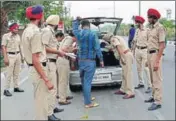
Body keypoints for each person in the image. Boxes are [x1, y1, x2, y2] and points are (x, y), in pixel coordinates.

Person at [22, 5, 58, 120]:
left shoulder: (26, 30)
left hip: (34, 69)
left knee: (40, 101)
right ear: (40, 16)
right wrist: (46, 79)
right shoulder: (36, 32)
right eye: (43, 14)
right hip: (39, 70)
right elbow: (35, 59)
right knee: (41, 105)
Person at [72, 17, 104, 108]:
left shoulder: (78, 33)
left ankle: (87, 97)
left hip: (81, 61)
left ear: (81, 26)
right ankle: (88, 103)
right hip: (90, 62)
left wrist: (76, 20)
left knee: (83, 81)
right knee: (87, 82)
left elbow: (74, 28)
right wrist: (101, 60)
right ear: (89, 26)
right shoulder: (93, 34)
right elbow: (97, 48)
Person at [41, 15, 65, 120]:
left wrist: (58, 52)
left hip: (52, 62)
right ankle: (49, 114)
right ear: (55, 23)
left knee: (53, 89)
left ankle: (52, 107)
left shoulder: (50, 31)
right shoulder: (47, 31)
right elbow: (43, 47)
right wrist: (57, 52)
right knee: (52, 88)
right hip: (49, 63)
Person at [144, 8, 166, 111]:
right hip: (149, 54)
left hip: (155, 55)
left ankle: (158, 101)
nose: (148, 19)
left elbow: (162, 45)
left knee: (157, 79)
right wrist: (147, 59)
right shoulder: (151, 28)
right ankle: (153, 97)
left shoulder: (160, 28)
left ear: (154, 18)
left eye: (149, 17)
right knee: (152, 78)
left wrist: (157, 61)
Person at [103, 33, 135, 99]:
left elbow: (119, 47)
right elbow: (114, 47)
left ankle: (130, 92)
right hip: (126, 55)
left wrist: (122, 58)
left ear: (108, 39)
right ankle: (123, 89)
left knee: (128, 74)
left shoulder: (113, 39)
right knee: (124, 74)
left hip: (125, 56)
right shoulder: (117, 37)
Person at [1, 23, 24, 97]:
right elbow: (3, 47)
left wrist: (22, 57)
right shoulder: (6, 36)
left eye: (17, 29)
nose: (17, 30)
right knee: (9, 73)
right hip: (10, 55)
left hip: (17, 55)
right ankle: (6, 89)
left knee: (17, 72)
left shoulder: (18, 36)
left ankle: (16, 87)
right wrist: (5, 57)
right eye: (15, 29)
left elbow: (20, 46)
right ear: (11, 29)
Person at [132, 16, 152, 93]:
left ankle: (150, 85)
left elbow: (150, 42)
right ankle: (141, 83)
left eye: (137, 22)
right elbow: (134, 41)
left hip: (145, 50)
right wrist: (133, 51)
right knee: (138, 68)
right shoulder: (137, 31)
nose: (136, 24)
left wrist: (149, 52)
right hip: (137, 49)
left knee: (146, 69)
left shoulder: (147, 30)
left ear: (140, 23)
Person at [55, 32, 76, 105]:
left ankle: (64, 95)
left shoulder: (67, 38)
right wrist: (73, 49)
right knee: (63, 80)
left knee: (64, 80)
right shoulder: (69, 39)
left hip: (63, 60)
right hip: (63, 60)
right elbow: (64, 49)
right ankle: (62, 99)